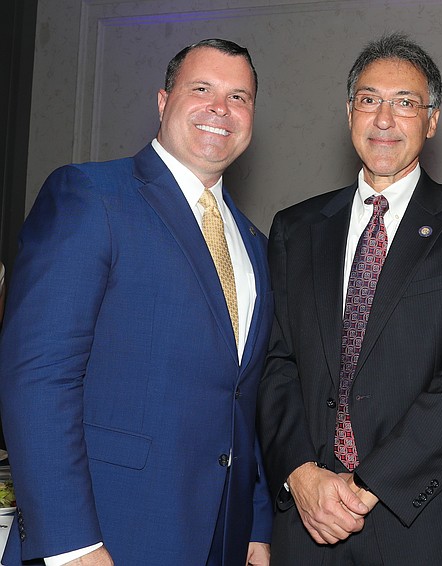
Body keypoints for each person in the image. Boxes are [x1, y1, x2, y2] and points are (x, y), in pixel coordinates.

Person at [0, 39, 273, 565]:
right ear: (162, 101)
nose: (221, 107)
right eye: (202, 89)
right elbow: (37, 376)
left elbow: (242, 399)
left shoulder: (255, 244)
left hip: (220, 541)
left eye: (239, 97)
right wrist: (72, 544)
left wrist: (255, 522)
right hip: (106, 535)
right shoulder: (89, 195)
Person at [258, 32, 442, 565]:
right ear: (349, 112)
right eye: (369, 100)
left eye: (405, 103)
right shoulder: (296, 228)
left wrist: (364, 486)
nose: (384, 119)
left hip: (426, 526)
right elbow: (273, 364)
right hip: (308, 525)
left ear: (432, 120)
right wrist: (301, 476)